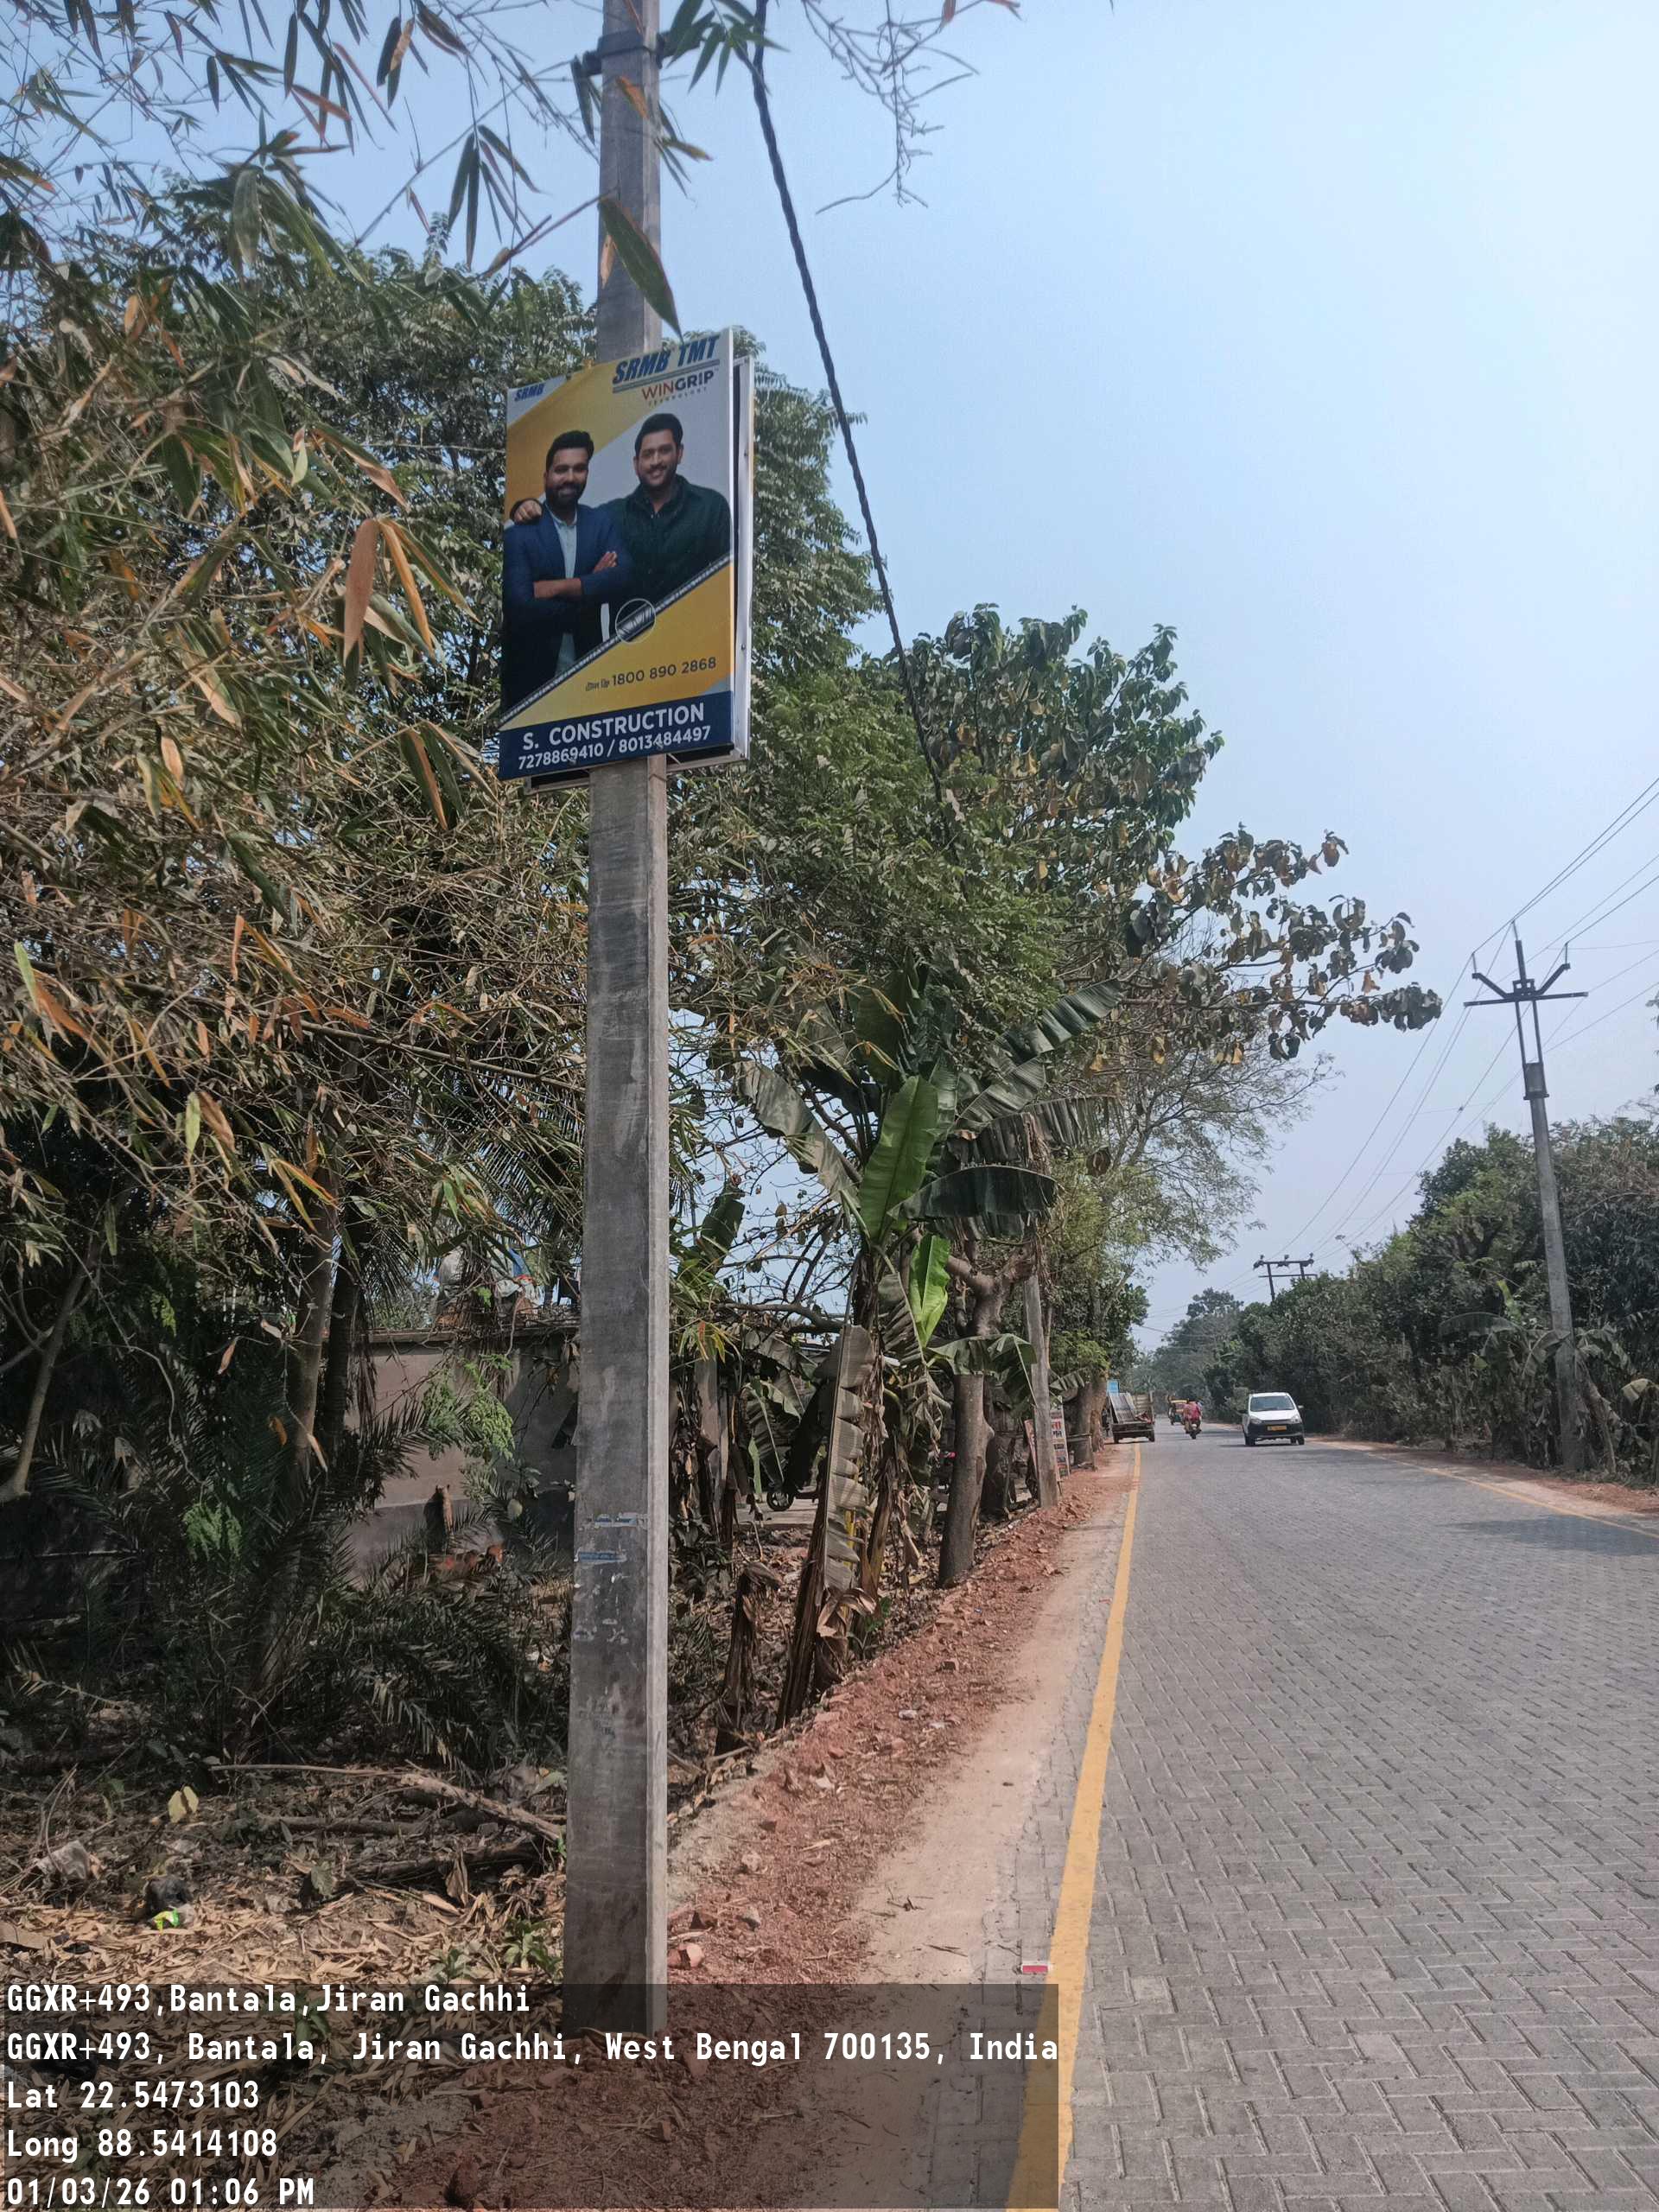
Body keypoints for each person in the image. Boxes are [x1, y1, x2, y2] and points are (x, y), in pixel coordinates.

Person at [501, 430, 633, 708]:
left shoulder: (600, 523)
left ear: (587, 473)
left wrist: (555, 588)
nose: (570, 477)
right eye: (561, 470)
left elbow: (623, 577)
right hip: (530, 687)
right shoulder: (519, 535)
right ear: (546, 476)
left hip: (589, 682)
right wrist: (591, 588)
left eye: (579, 469)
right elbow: (520, 608)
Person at [613, 410, 732, 606]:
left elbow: (726, 587)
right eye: (648, 454)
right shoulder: (612, 517)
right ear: (636, 464)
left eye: (664, 451)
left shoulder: (711, 509)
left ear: (679, 453)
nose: (656, 461)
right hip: (630, 627)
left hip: (694, 625)